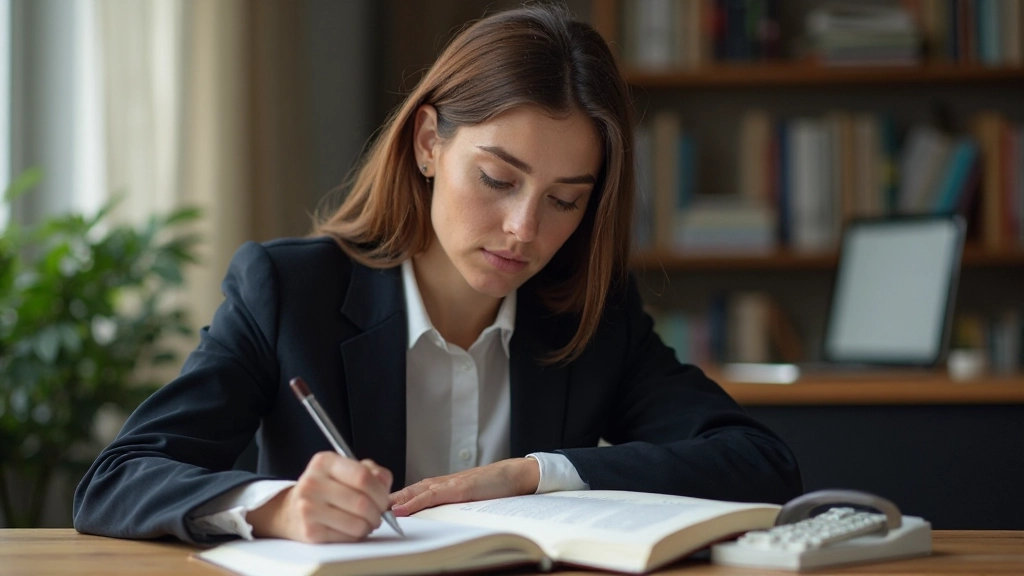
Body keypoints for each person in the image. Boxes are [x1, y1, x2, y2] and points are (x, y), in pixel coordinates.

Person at [73, 4, 801, 545]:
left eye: (564, 200)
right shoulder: (289, 292)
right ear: (428, 142)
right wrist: (278, 509)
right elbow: (117, 480)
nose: (524, 229)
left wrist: (533, 473)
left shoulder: (589, 310)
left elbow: (760, 464)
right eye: (497, 179)